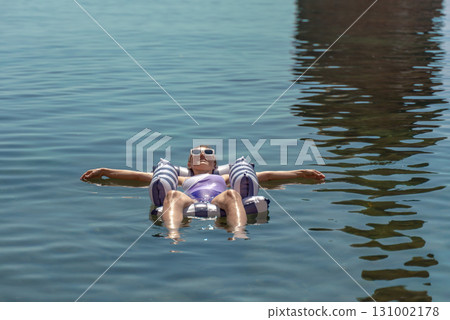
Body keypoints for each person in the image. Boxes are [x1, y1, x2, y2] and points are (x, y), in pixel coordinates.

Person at [81, 146, 325, 240]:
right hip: (191, 200)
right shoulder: (182, 178)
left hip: (218, 199)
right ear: (189, 162)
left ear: (214, 162)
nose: (202, 156)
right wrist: (105, 171)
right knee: (173, 196)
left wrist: (300, 173)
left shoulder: (223, 177)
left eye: (208, 153)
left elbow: (267, 177)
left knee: (232, 196)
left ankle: (238, 231)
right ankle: (173, 233)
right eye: (196, 154)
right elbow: (138, 177)